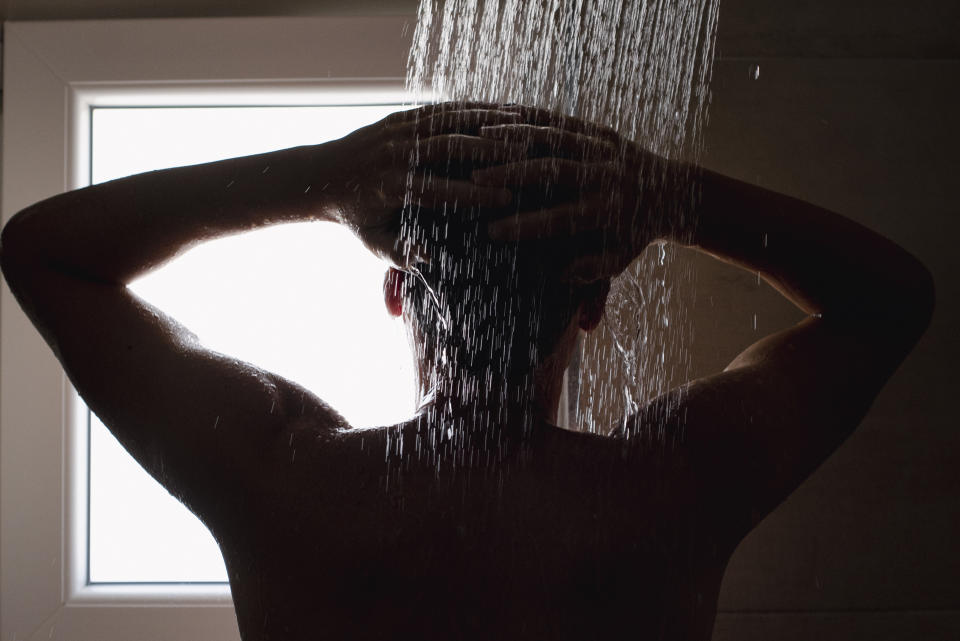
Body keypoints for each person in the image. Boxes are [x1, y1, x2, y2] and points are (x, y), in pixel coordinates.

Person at [0, 102, 934, 641]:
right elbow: (890, 298)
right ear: (595, 300)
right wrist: (670, 197)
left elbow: (44, 252)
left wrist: (319, 177)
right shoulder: (673, 489)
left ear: (400, 293)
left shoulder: (281, 475)